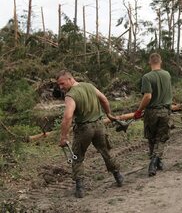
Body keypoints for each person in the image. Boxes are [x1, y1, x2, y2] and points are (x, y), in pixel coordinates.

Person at [57, 70, 123, 198]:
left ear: (70, 79)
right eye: (59, 85)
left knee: (77, 156)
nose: (61, 87)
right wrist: (108, 114)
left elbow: (68, 116)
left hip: (84, 129)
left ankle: (80, 188)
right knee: (106, 152)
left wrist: (64, 136)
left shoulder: (71, 95)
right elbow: (104, 99)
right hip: (99, 126)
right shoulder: (89, 86)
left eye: (62, 83)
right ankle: (118, 176)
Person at [133, 53, 172, 177]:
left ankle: (153, 161)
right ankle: (157, 161)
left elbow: (148, 96)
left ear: (150, 63)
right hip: (165, 111)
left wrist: (139, 110)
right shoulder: (167, 75)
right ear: (161, 61)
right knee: (161, 138)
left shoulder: (147, 77)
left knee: (151, 137)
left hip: (151, 112)